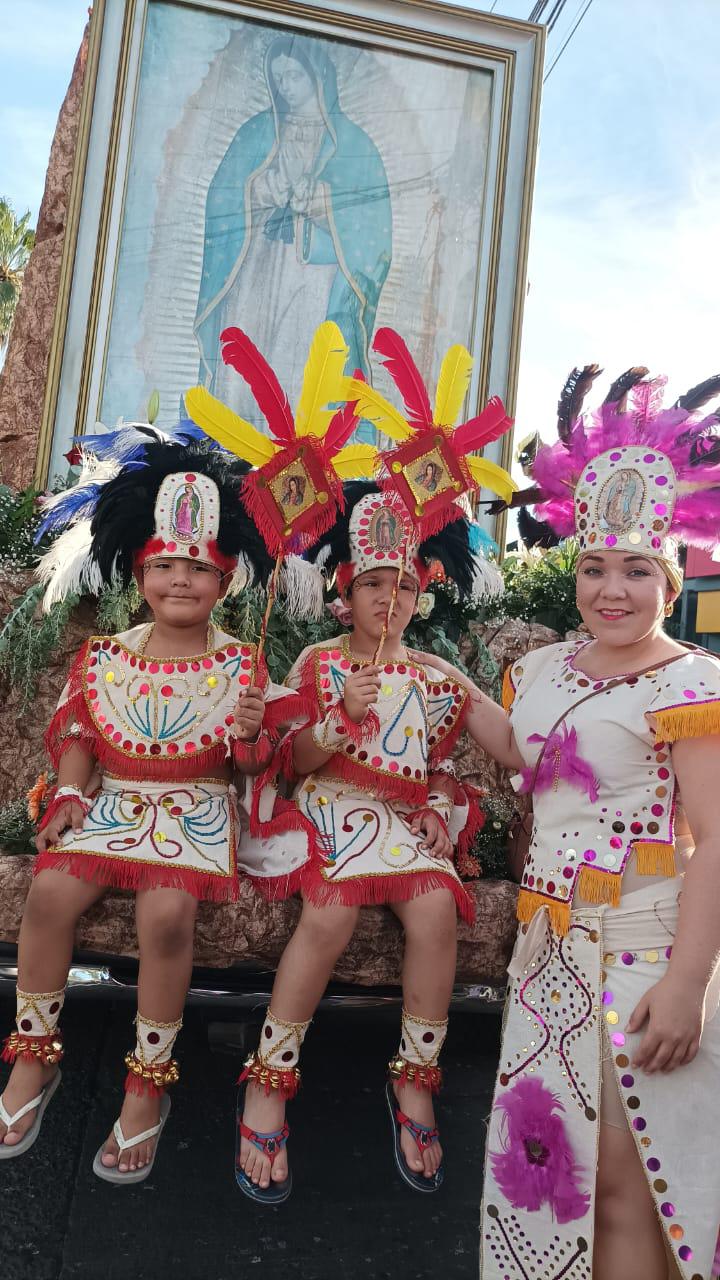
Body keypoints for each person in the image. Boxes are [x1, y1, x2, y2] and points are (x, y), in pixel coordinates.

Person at [433, 372, 720, 1279]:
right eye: (595, 567)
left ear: (669, 578)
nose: (612, 590)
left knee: (636, 1193)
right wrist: (440, 681)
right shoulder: (547, 669)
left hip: (641, 953)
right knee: (557, 1190)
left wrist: (686, 987)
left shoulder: (692, 685)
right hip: (544, 957)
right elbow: (531, 762)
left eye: (637, 570)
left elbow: (714, 840)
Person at [0, 435, 306, 1183]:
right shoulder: (102, 656)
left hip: (198, 814)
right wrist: (71, 791)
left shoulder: (243, 663)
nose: (180, 579)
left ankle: (147, 1082)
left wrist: (249, 733)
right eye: (165, 565)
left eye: (198, 567)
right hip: (115, 805)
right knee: (47, 894)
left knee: (166, 915)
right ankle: (34, 1059)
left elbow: (251, 769)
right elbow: (79, 729)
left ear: (226, 579)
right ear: (140, 574)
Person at [233, 482, 500, 1203]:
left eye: (405, 585)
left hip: (400, 820)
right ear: (343, 594)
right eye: (373, 583)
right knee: (331, 913)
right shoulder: (319, 664)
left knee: (437, 911)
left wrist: (443, 808)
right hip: (330, 809)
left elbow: (441, 765)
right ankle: (269, 1078)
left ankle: (415, 1079)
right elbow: (291, 762)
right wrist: (340, 717)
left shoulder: (433, 677)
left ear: (423, 596)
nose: (390, 598)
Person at [194, 33, 392, 444]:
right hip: (259, 270)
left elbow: (373, 226)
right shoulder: (256, 133)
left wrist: (321, 200)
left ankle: (300, 453)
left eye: (294, 76)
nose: (285, 86)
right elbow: (223, 195)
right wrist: (261, 189)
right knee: (248, 362)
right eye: (278, 77)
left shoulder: (353, 145)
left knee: (302, 364)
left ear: (317, 76)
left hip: (314, 281)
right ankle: (239, 451)